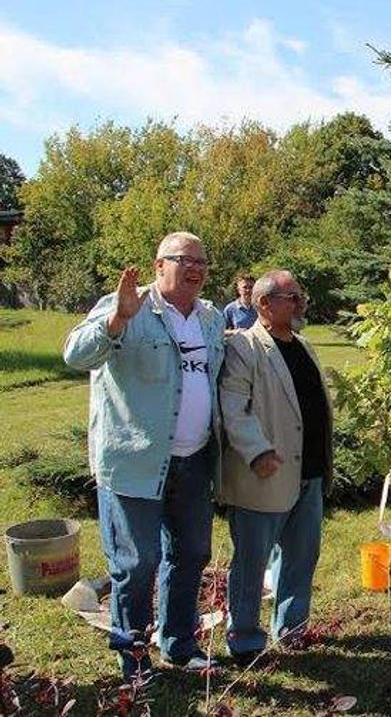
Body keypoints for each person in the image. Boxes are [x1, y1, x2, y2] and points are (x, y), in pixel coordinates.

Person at [62, 231, 224, 679]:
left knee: (191, 553)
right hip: (135, 463)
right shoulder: (128, 305)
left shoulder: (209, 318)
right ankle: (133, 657)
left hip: (193, 461)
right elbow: (75, 355)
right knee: (137, 565)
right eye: (183, 259)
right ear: (158, 266)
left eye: (201, 262)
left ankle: (178, 645)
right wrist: (115, 320)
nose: (194, 269)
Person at [217, 271, 332, 666]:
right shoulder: (245, 348)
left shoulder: (303, 346)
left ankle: (291, 630)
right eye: (291, 298)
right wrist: (257, 451)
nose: (300, 304)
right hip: (264, 472)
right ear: (263, 304)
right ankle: (246, 640)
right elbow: (233, 405)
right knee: (251, 561)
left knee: (301, 556)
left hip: (309, 473)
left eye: (301, 297)